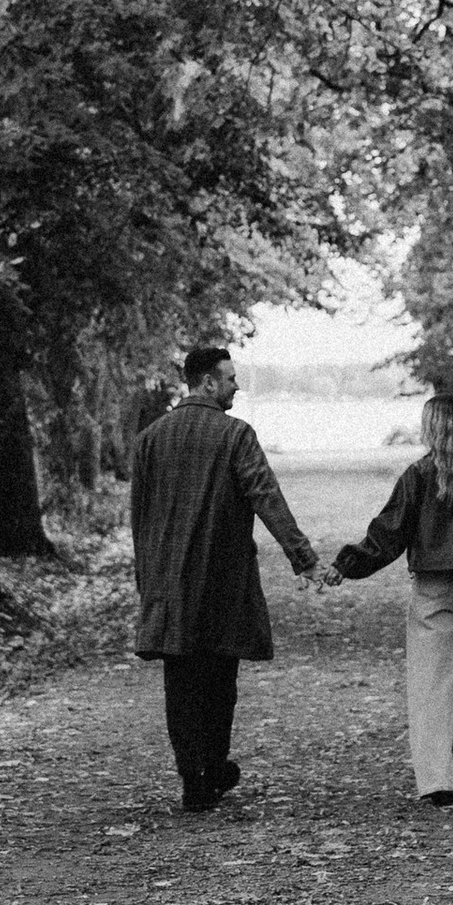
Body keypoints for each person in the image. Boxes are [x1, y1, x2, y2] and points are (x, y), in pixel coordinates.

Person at [129, 342, 320, 813]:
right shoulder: (236, 435)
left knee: (181, 681)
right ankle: (212, 765)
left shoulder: (151, 438)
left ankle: (192, 774)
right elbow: (266, 497)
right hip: (222, 576)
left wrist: (147, 581)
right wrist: (304, 557)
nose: (237, 384)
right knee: (219, 677)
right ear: (208, 382)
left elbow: (141, 518)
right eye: (231, 377)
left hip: (171, 579)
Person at [326, 372, 453, 803]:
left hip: (435, 586)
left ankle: (437, 779)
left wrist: (348, 565)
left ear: (433, 426)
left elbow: (389, 533)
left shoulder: (421, 474)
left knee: (430, 683)